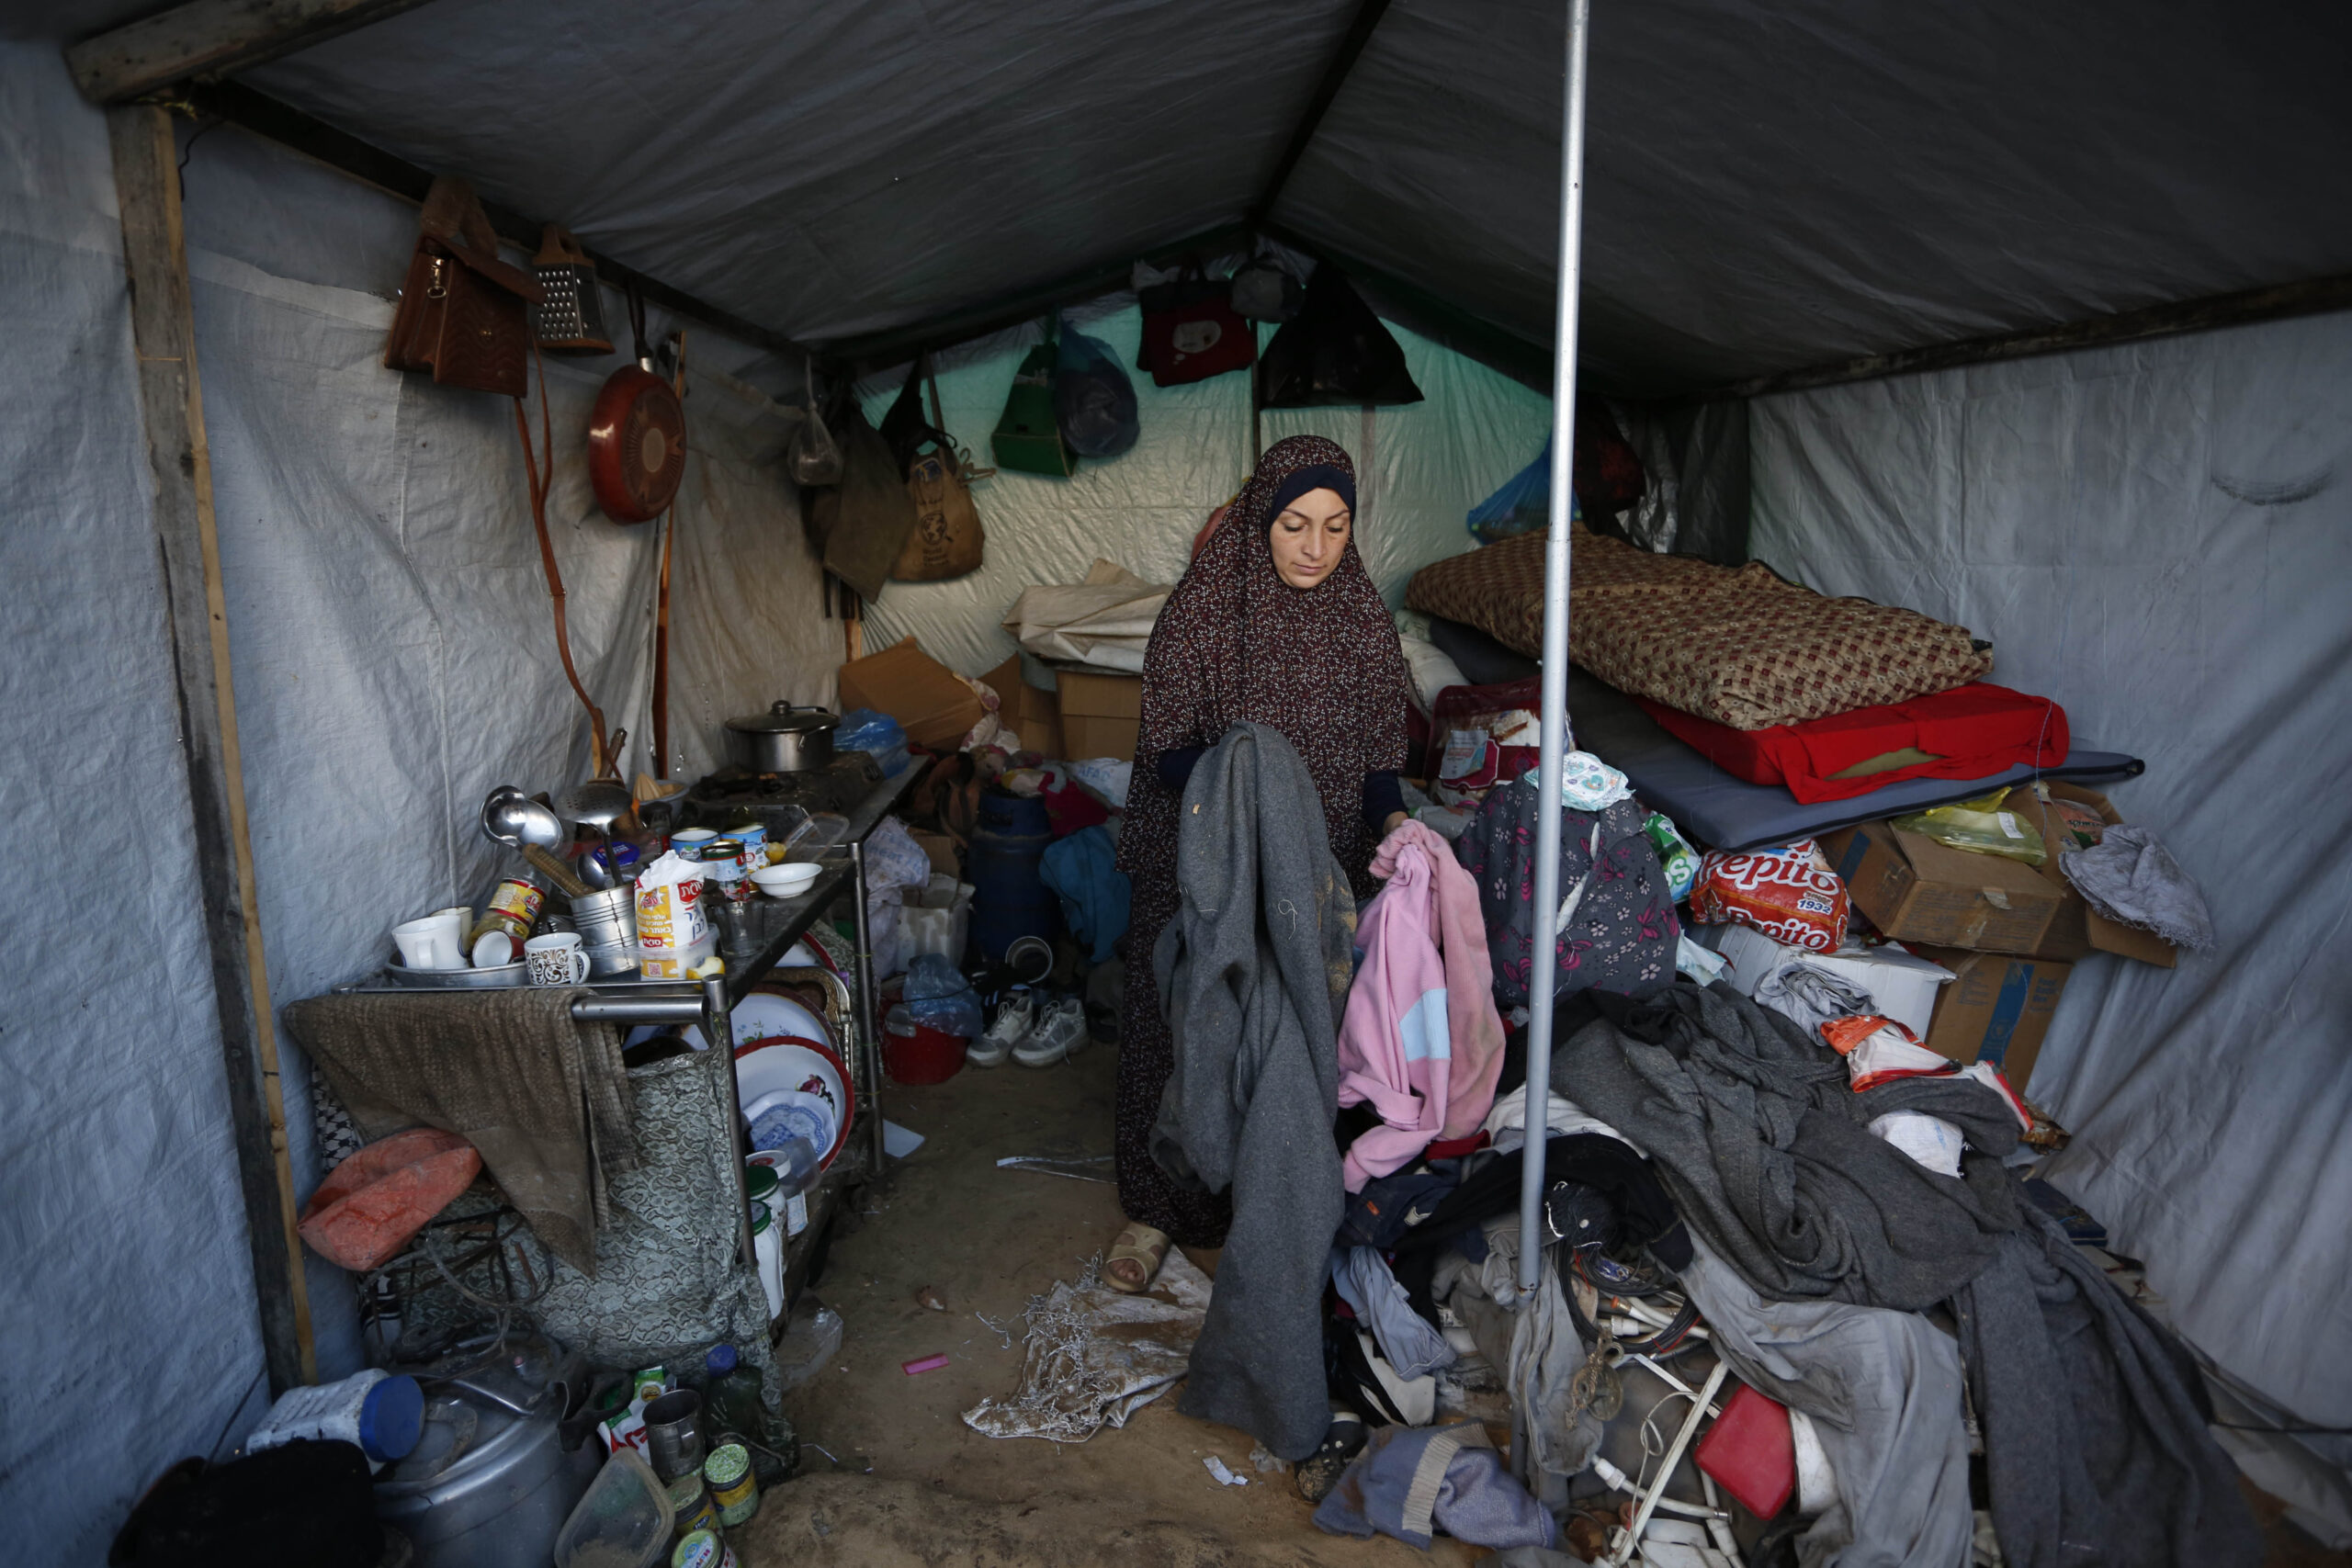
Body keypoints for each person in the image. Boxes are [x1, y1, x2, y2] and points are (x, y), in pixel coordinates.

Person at [1105, 434, 1414, 1292]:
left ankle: (1277, 1198)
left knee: (1300, 1030)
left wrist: (1398, 824)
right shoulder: (1203, 613)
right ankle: (1164, 1207)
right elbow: (1163, 752)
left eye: (1336, 525)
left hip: (1318, 870)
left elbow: (1382, 756)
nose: (1316, 547)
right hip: (1210, 861)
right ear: (1258, 520)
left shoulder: (1361, 619)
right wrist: (1246, 773)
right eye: (1294, 524)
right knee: (1190, 1021)